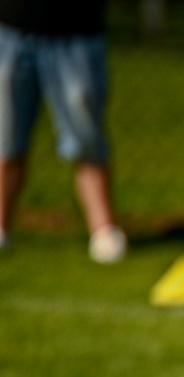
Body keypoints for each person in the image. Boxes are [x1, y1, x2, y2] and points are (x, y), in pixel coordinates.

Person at [0, 0, 124, 262]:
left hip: (76, 31)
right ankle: (1, 228)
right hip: (11, 26)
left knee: (86, 139)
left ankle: (104, 231)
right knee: (5, 140)